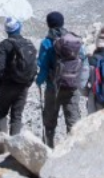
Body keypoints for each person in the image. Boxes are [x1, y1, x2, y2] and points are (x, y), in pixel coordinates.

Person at [36, 11, 88, 147]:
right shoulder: (74, 40)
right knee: (73, 120)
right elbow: (83, 59)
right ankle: (74, 151)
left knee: (49, 123)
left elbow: (43, 65)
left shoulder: (47, 42)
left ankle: (49, 148)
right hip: (72, 86)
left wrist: (39, 81)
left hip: (53, 88)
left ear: (48, 24)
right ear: (62, 23)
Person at [0, 17, 37, 135]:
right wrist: (28, 83)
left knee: (2, 113)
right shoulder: (29, 44)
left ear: (7, 31)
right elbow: (34, 67)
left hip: (7, 85)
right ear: (19, 28)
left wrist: (0, 84)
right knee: (17, 116)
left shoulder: (4, 45)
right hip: (23, 85)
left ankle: (2, 144)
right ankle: (14, 147)